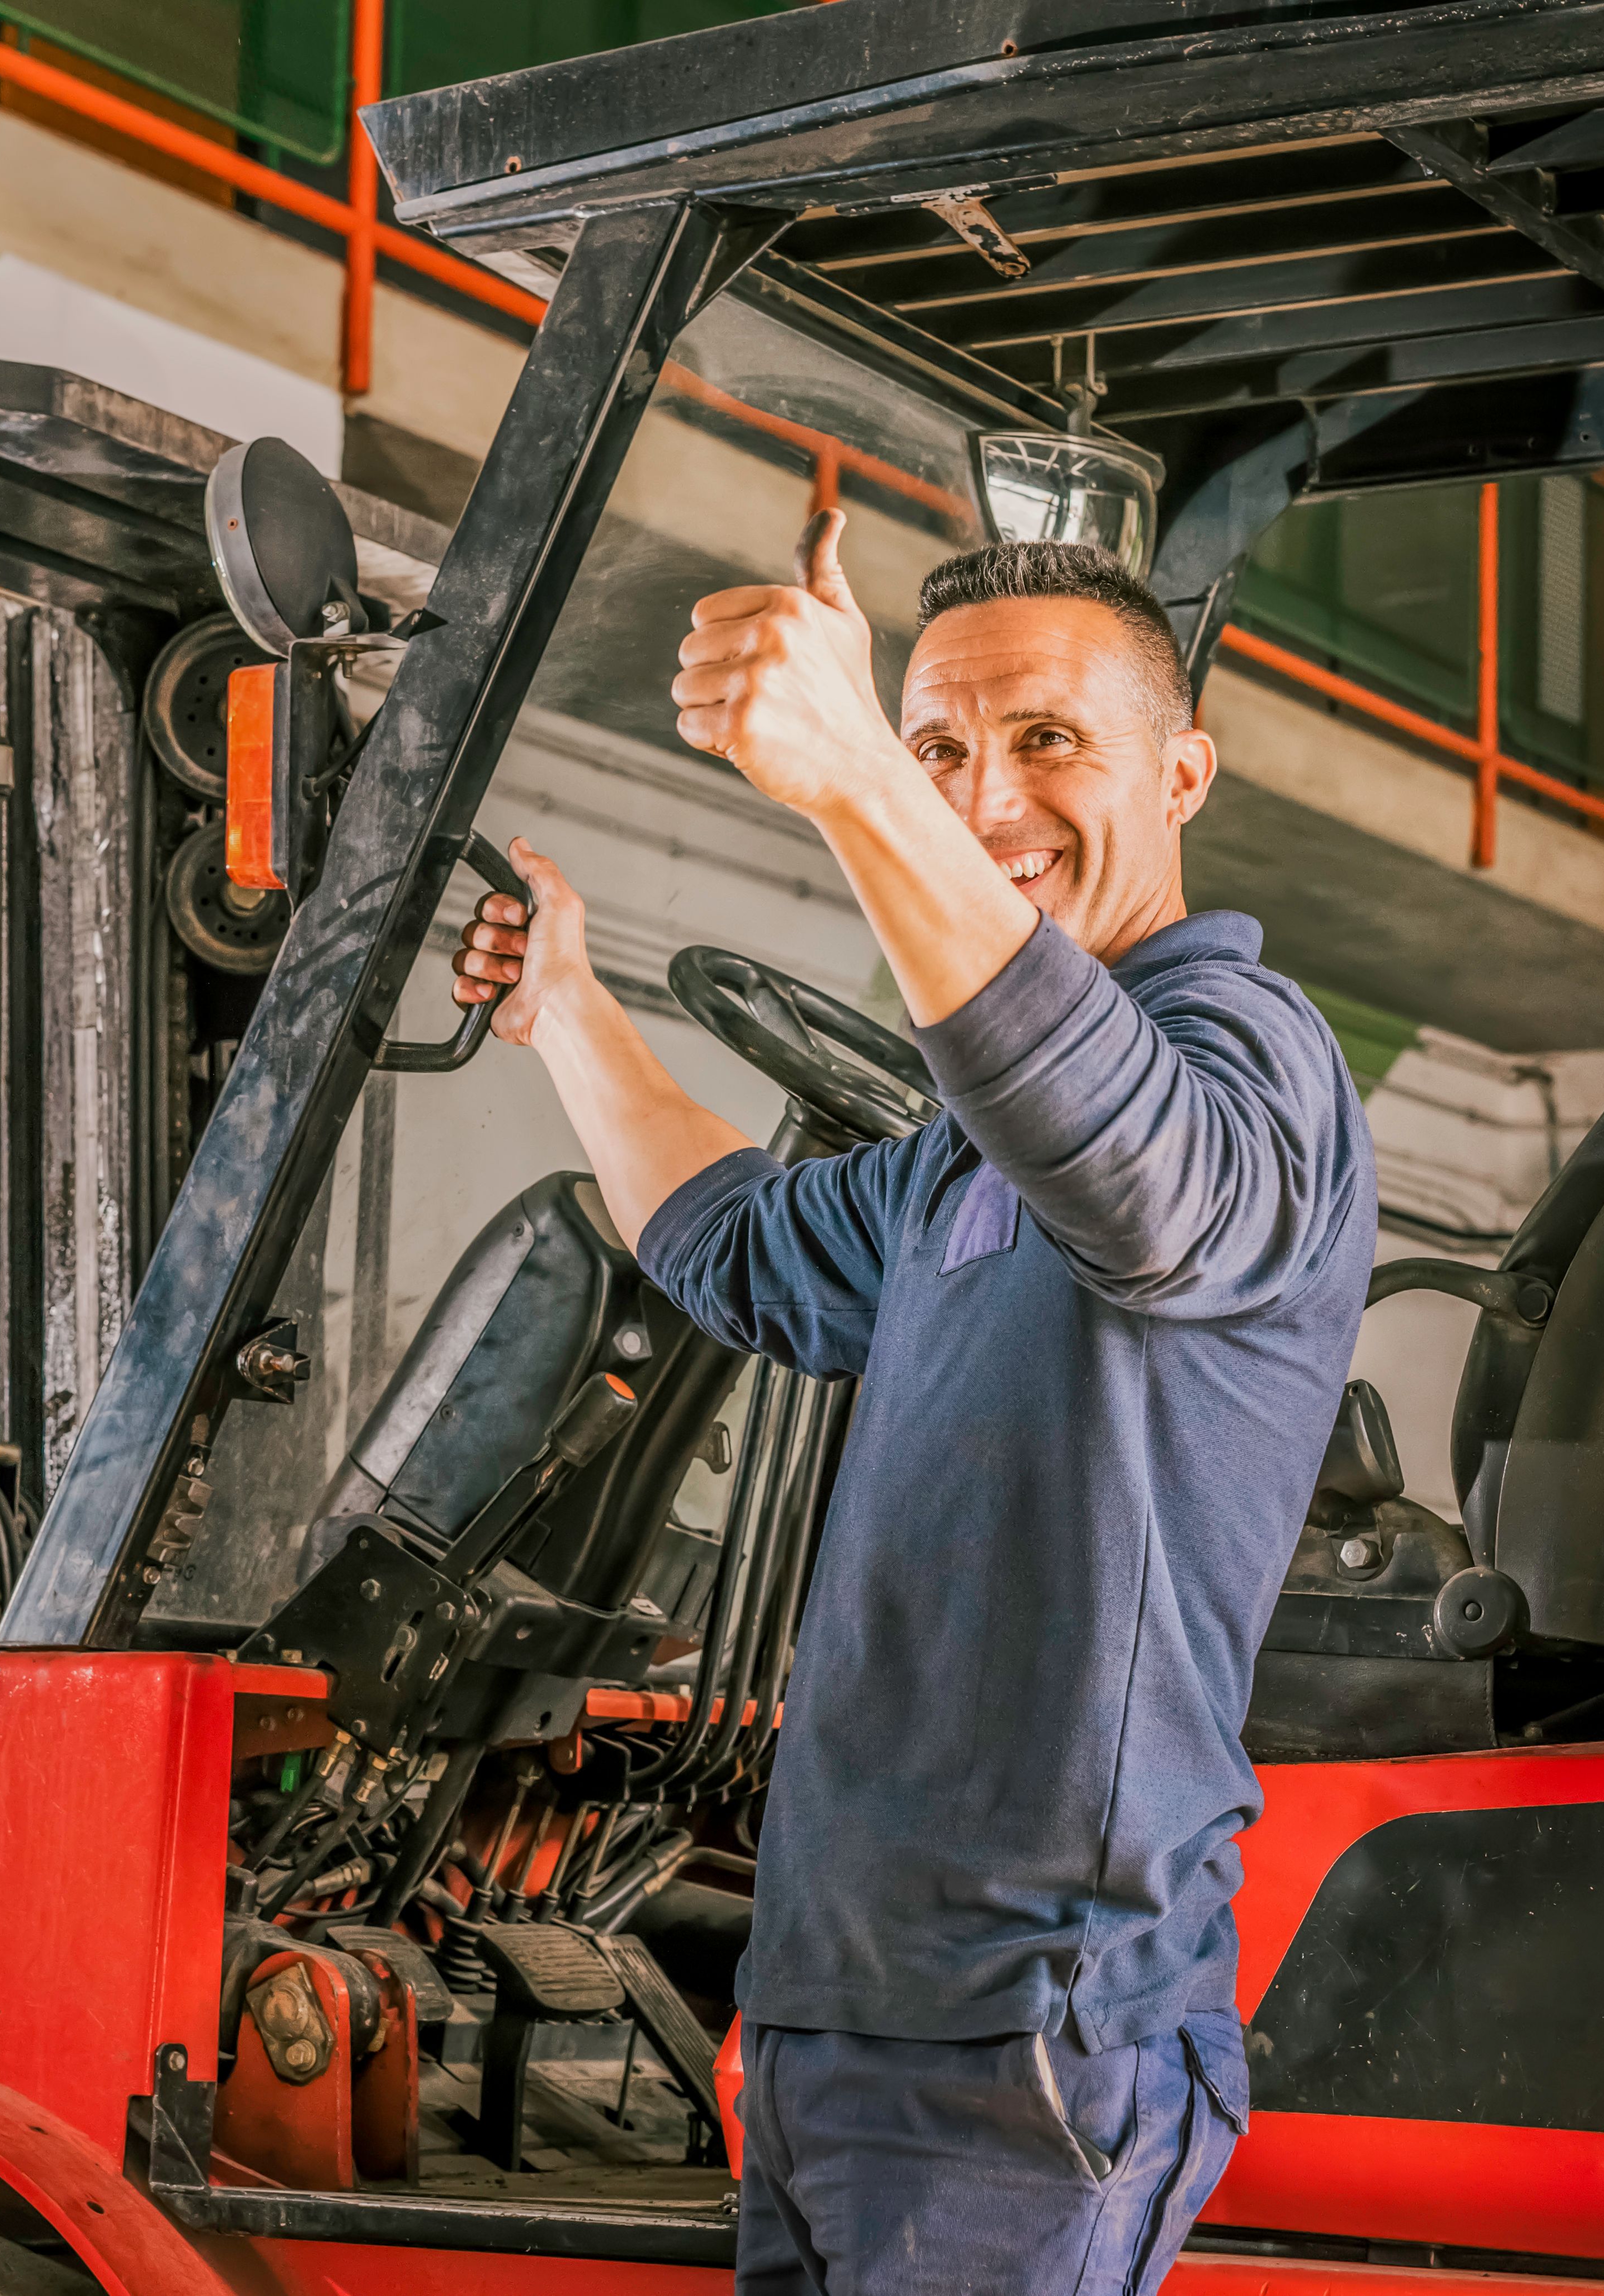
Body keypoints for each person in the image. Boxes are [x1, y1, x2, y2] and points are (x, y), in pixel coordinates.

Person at [450, 516, 1376, 2295]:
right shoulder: (967, 1157)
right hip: (840, 2007)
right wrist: (570, 1012)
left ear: (1181, 775)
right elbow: (741, 1245)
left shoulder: (1246, 1050)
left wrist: (861, 780)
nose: (984, 794)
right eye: (942, 746)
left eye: (1047, 741)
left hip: (1031, 2018)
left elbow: (1149, 1186)